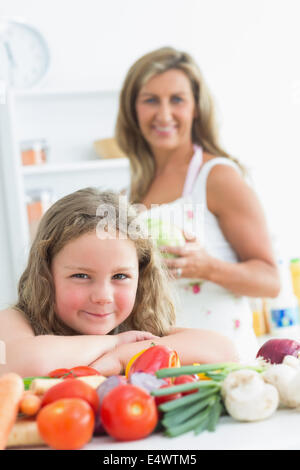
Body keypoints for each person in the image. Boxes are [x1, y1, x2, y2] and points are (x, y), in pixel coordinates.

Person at [115, 46, 281, 361]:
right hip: (162, 367)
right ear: (132, 109)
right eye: (150, 99)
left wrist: (207, 267)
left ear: (195, 108)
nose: (163, 114)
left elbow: (271, 281)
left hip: (223, 366)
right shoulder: (129, 195)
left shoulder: (216, 177)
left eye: (176, 99)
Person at [0, 188, 237, 378]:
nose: (103, 296)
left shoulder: (135, 328)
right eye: (81, 276)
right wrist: (111, 342)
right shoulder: (14, 321)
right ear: (46, 274)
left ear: (141, 277)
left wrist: (120, 356)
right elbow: (17, 361)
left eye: (120, 277)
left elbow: (223, 351)